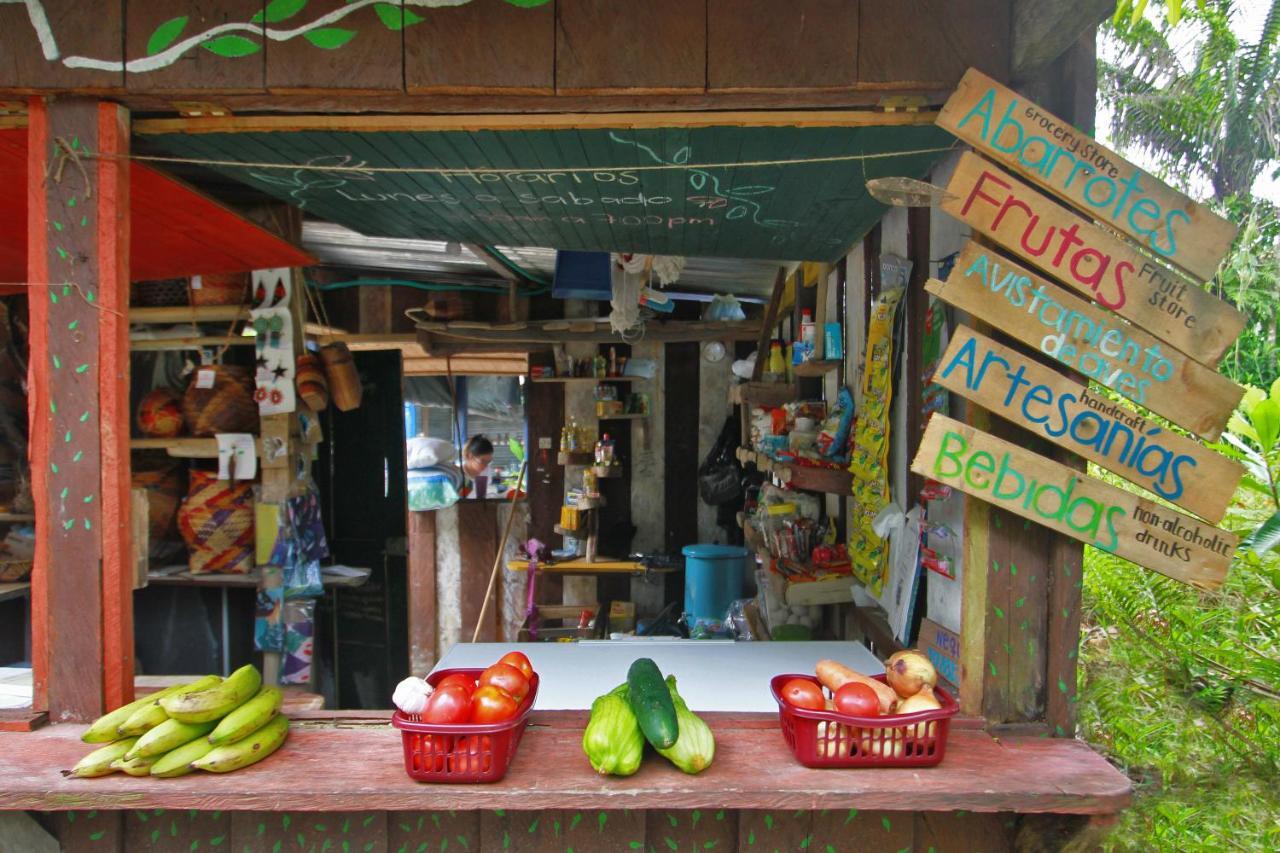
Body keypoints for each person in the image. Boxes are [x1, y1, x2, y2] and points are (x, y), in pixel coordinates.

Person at [460, 434, 494, 499]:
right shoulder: (458, 474)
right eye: (482, 461)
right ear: (470, 456)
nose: (485, 466)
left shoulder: (486, 472)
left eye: (488, 462)